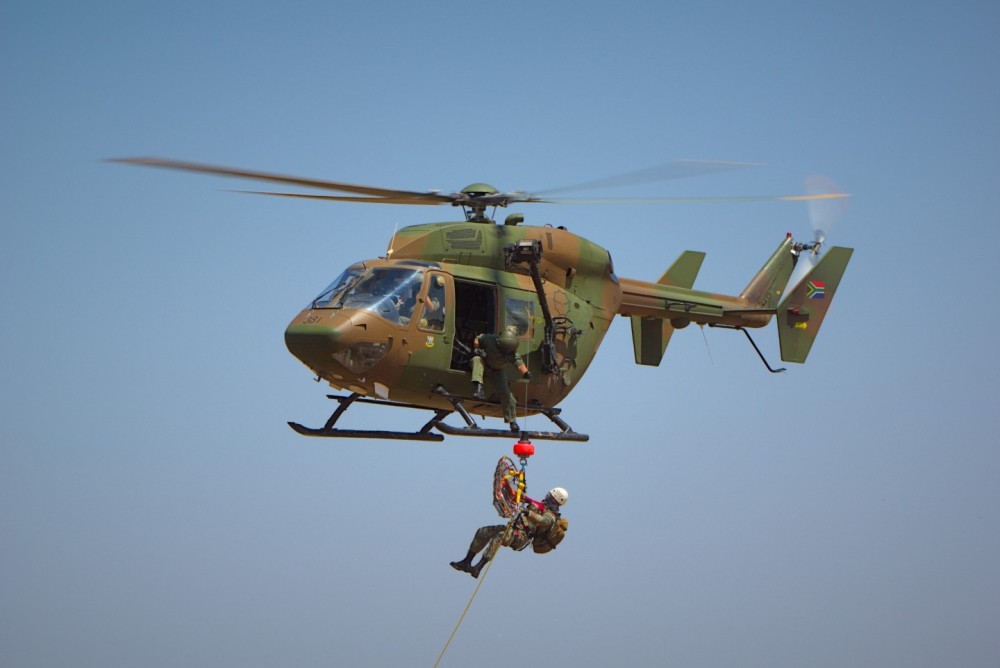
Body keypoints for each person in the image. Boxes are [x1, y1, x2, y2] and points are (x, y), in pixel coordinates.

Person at [450, 487, 569, 578]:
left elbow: (543, 521)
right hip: (513, 530)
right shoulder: (540, 506)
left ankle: (478, 568)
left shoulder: (551, 516)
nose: (547, 497)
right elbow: (524, 499)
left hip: (521, 537)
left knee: (499, 536)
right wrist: (515, 492)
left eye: (550, 497)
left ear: (555, 501)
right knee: (483, 532)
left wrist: (529, 513)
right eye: (549, 495)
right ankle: (466, 562)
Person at [470, 327, 531, 432]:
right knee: (476, 360)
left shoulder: (513, 353)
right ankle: (479, 388)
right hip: (484, 364)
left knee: (506, 394)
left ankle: (512, 421)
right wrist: (476, 348)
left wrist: (526, 373)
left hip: (496, 371)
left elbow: (519, 364)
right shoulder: (490, 339)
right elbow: (478, 338)